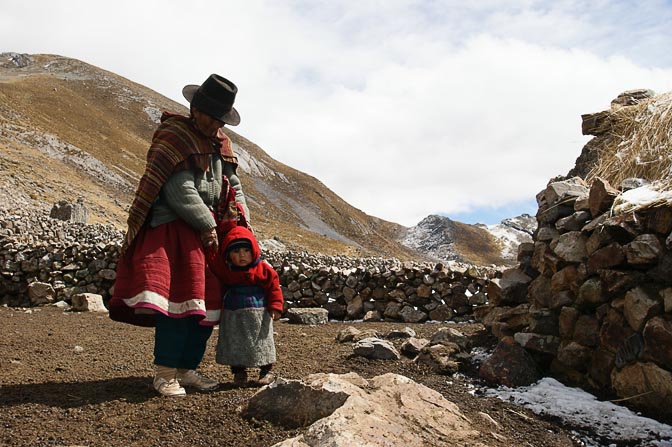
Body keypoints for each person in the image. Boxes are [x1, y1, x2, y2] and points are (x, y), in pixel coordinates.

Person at [109, 74, 249, 397]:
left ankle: (188, 369)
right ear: (196, 109)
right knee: (178, 302)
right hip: (176, 230)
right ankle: (165, 373)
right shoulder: (175, 136)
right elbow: (178, 188)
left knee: (207, 305)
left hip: (209, 233)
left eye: (221, 120)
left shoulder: (220, 144)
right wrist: (207, 224)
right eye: (213, 118)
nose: (217, 126)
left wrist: (241, 220)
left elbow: (234, 186)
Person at [208, 225, 283, 387]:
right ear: (228, 254)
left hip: (259, 315)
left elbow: (274, 287)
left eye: (246, 250)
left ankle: (267, 371)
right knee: (235, 342)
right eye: (236, 251)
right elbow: (213, 264)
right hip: (233, 314)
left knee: (262, 342)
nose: (242, 255)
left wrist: (276, 306)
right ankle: (239, 373)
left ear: (254, 250)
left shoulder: (263, 269)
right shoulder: (227, 270)